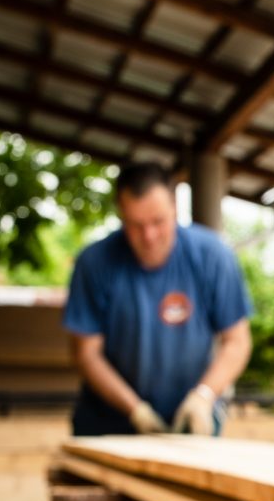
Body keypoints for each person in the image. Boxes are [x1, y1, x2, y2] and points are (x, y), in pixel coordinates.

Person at [63, 162, 253, 437]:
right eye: (136, 225)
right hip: (108, 424)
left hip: (191, 422)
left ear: (175, 208)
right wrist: (135, 409)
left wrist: (203, 396)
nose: (149, 236)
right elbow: (86, 353)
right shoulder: (94, 263)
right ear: (121, 215)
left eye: (158, 222)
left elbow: (237, 340)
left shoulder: (213, 256)